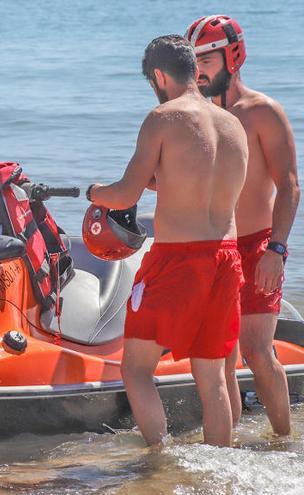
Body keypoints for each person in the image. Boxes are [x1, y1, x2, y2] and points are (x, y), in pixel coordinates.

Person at [87, 35, 248, 447]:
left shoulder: (163, 117)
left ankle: (158, 463)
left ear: (159, 76)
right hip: (227, 257)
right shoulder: (233, 124)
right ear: (195, 70)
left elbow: (124, 195)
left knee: (136, 370)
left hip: (179, 260)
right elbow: (210, 187)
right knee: (211, 376)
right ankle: (220, 468)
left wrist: (94, 192)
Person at [186, 15, 300, 436]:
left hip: (258, 245)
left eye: (207, 58)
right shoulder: (195, 116)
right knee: (220, 355)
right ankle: (226, 448)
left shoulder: (262, 111)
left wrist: (278, 249)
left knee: (255, 349)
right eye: (192, 60)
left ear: (233, 55)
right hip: (214, 247)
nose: (198, 69)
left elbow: (289, 185)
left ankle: (283, 442)